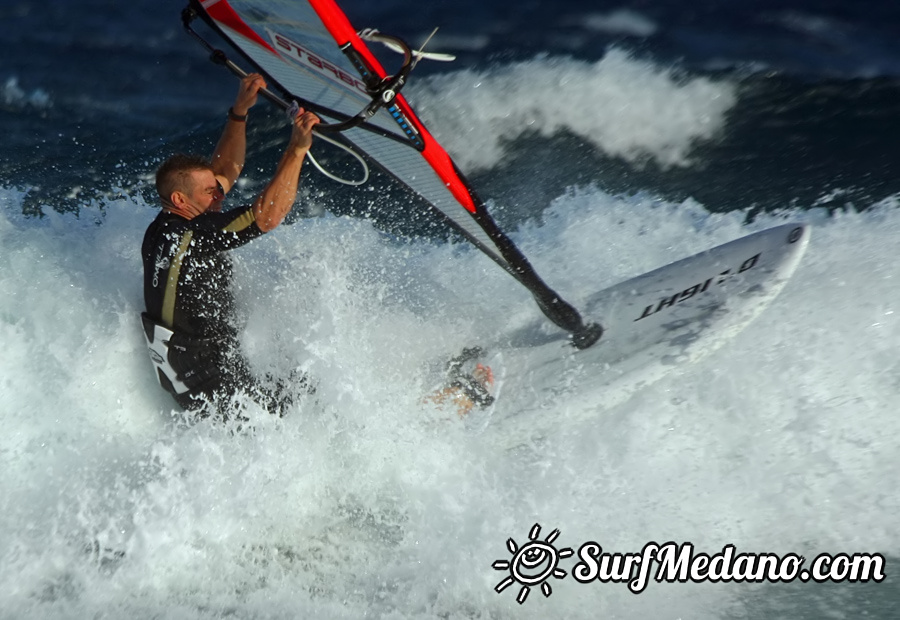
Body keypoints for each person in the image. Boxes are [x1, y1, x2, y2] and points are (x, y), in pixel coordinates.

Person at [140, 73, 319, 417]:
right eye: (211, 192)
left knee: (307, 391)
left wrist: (240, 111)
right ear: (180, 198)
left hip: (195, 369)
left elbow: (223, 170)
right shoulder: (190, 237)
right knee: (307, 412)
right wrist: (297, 149)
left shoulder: (165, 226)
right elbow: (267, 217)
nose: (220, 193)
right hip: (205, 383)